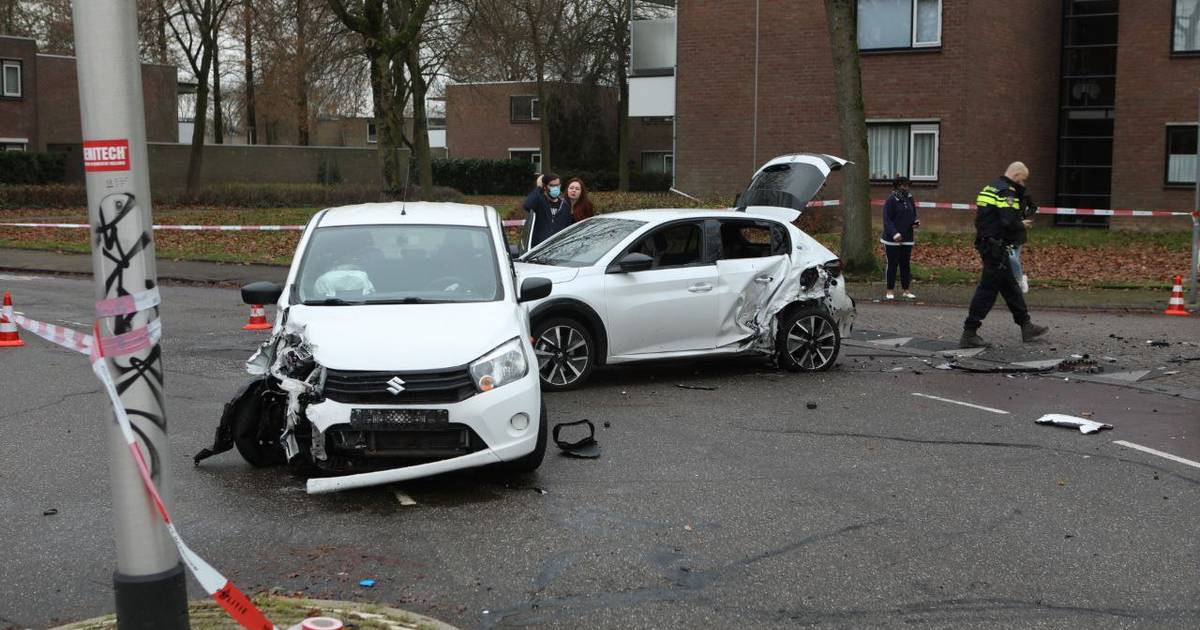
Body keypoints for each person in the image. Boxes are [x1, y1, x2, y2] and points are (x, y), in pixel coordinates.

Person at [960, 162, 1047, 348]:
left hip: (988, 243)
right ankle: (969, 332)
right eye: (1022, 180)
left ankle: (1026, 325)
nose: (1022, 184)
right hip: (995, 247)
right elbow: (1008, 221)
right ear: (1016, 176)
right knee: (987, 290)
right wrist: (1022, 224)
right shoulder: (1007, 192)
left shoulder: (990, 187)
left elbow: (983, 217)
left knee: (1010, 287)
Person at [880, 175, 919, 300]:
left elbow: (912, 214)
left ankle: (906, 290)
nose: (907, 188)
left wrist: (915, 221)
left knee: (905, 265)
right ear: (898, 186)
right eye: (905, 185)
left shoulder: (909, 199)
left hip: (907, 237)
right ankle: (890, 290)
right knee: (892, 264)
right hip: (892, 239)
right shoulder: (891, 200)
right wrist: (894, 233)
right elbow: (887, 220)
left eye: (908, 186)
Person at [521, 172, 572, 250]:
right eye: (551, 185)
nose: (555, 188)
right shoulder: (539, 201)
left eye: (557, 185)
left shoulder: (565, 205)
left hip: (558, 248)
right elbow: (527, 205)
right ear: (545, 187)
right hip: (539, 248)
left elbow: (568, 227)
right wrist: (538, 187)